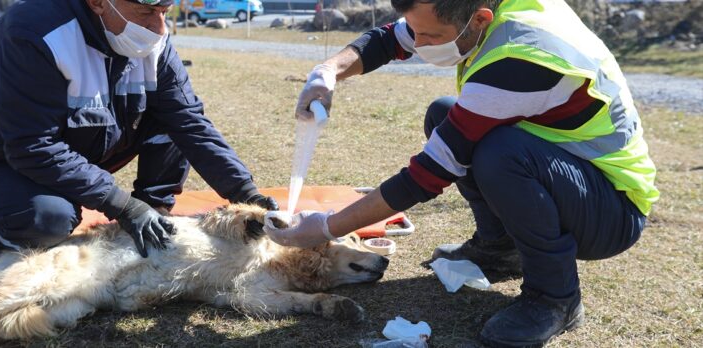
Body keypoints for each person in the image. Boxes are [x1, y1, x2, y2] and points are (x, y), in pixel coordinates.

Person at [265, 0, 659, 346]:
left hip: (612, 209)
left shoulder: (521, 56)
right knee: (445, 113)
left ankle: (556, 299)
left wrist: (326, 227)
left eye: (431, 36)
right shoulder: (477, 9)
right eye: (417, 32)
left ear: (480, 20)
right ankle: (500, 249)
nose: (418, 45)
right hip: (572, 173)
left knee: (497, 152)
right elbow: (389, 39)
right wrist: (328, 71)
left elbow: (427, 174)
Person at [0, 0, 278, 258]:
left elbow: (189, 121)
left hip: (79, 144)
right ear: (98, 3)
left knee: (171, 119)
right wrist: (121, 204)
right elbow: (31, 145)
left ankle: (154, 213)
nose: (158, 27)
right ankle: (9, 234)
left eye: (165, 11)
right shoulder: (35, 33)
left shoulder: (152, 40)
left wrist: (245, 194)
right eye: (146, 11)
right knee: (48, 218)